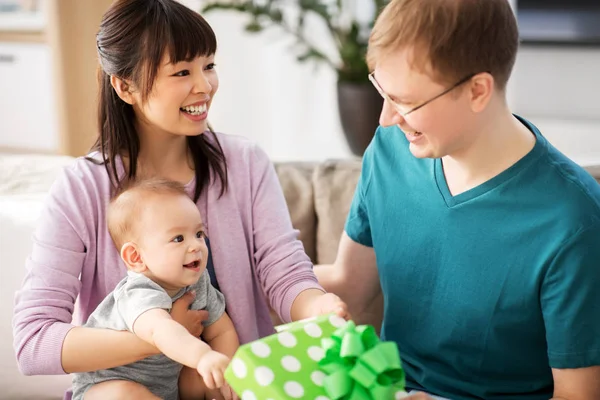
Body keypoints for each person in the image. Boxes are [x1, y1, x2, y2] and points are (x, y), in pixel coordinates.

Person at [12, 0, 347, 399]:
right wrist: (164, 335)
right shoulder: (80, 188)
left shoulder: (244, 163)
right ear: (125, 86)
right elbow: (33, 343)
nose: (204, 85)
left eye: (208, 65)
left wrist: (317, 308)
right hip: (123, 387)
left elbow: (284, 272)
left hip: (229, 382)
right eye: (182, 72)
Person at [316, 0, 600, 399]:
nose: (385, 118)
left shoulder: (575, 220)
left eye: (406, 101)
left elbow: (578, 396)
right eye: (382, 90)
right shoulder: (388, 150)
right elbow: (350, 285)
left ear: (477, 90)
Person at [72, 178, 237, 400]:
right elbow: (162, 331)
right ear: (136, 257)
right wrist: (202, 356)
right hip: (104, 388)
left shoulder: (198, 282)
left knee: (203, 374)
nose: (196, 245)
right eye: (178, 238)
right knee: (124, 394)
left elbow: (221, 330)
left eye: (198, 234)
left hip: (168, 389)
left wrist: (227, 373)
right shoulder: (137, 293)